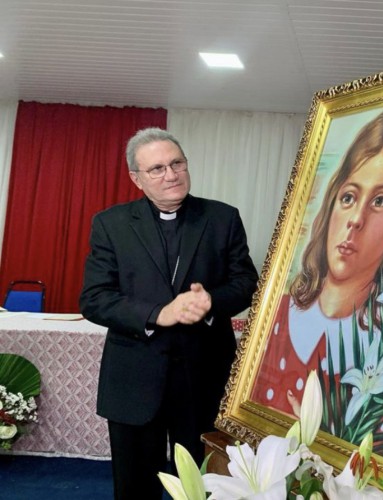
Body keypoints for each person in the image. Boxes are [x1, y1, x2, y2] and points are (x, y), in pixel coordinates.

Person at [80, 127, 259, 500]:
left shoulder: (222, 218)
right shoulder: (110, 224)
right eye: (157, 168)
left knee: (204, 484)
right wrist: (158, 313)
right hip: (135, 377)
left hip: (204, 375)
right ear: (136, 178)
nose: (171, 174)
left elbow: (246, 283)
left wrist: (211, 302)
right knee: (134, 487)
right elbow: (95, 298)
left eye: (177, 163)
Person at [251, 105, 383, 441]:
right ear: (332, 202)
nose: (356, 218)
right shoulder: (276, 312)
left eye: (381, 201)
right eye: (349, 196)